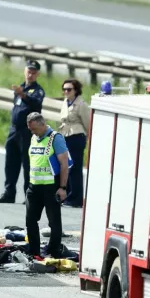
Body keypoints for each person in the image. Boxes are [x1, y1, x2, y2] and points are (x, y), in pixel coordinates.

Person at [0, 60, 45, 203]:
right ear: (25, 71)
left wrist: (23, 95)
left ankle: (29, 195)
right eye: (29, 71)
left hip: (27, 132)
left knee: (28, 164)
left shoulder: (37, 91)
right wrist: (20, 93)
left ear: (37, 74)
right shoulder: (20, 88)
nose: (30, 74)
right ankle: (9, 193)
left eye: (34, 72)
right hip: (14, 130)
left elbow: (35, 104)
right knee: (11, 163)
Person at [24, 112, 72, 258]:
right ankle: (34, 252)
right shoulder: (34, 137)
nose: (32, 132)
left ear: (42, 124)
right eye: (30, 129)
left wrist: (62, 188)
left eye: (34, 129)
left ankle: (54, 250)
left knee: (54, 221)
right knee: (30, 220)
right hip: (34, 186)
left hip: (51, 187)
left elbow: (65, 164)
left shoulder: (55, 138)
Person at [58, 78, 90, 208]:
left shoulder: (81, 104)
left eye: (69, 89)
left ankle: (76, 198)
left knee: (75, 168)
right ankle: (68, 195)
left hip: (76, 136)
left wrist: (87, 137)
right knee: (66, 166)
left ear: (75, 90)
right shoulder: (65, 102)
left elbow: (87, 123)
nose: (66, 91)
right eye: (64, 89)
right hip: (65, 135)